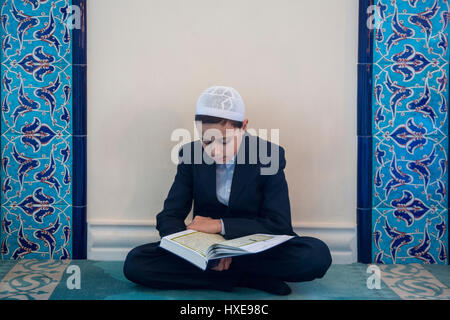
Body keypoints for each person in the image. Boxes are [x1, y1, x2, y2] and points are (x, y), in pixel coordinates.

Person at [123, 86, 332, 295]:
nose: (214, 150)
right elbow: (169, 216)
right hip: (207, 251)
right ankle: (248, 277)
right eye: (207, 140)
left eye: (225, 141)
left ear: (244, 127)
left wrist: (219, 225)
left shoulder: (269, 155)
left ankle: (227, 276)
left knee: (316, 255)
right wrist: (193, 249)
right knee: (136, 263)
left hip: (255, 249)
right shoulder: (190, 154)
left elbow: (279, 225)